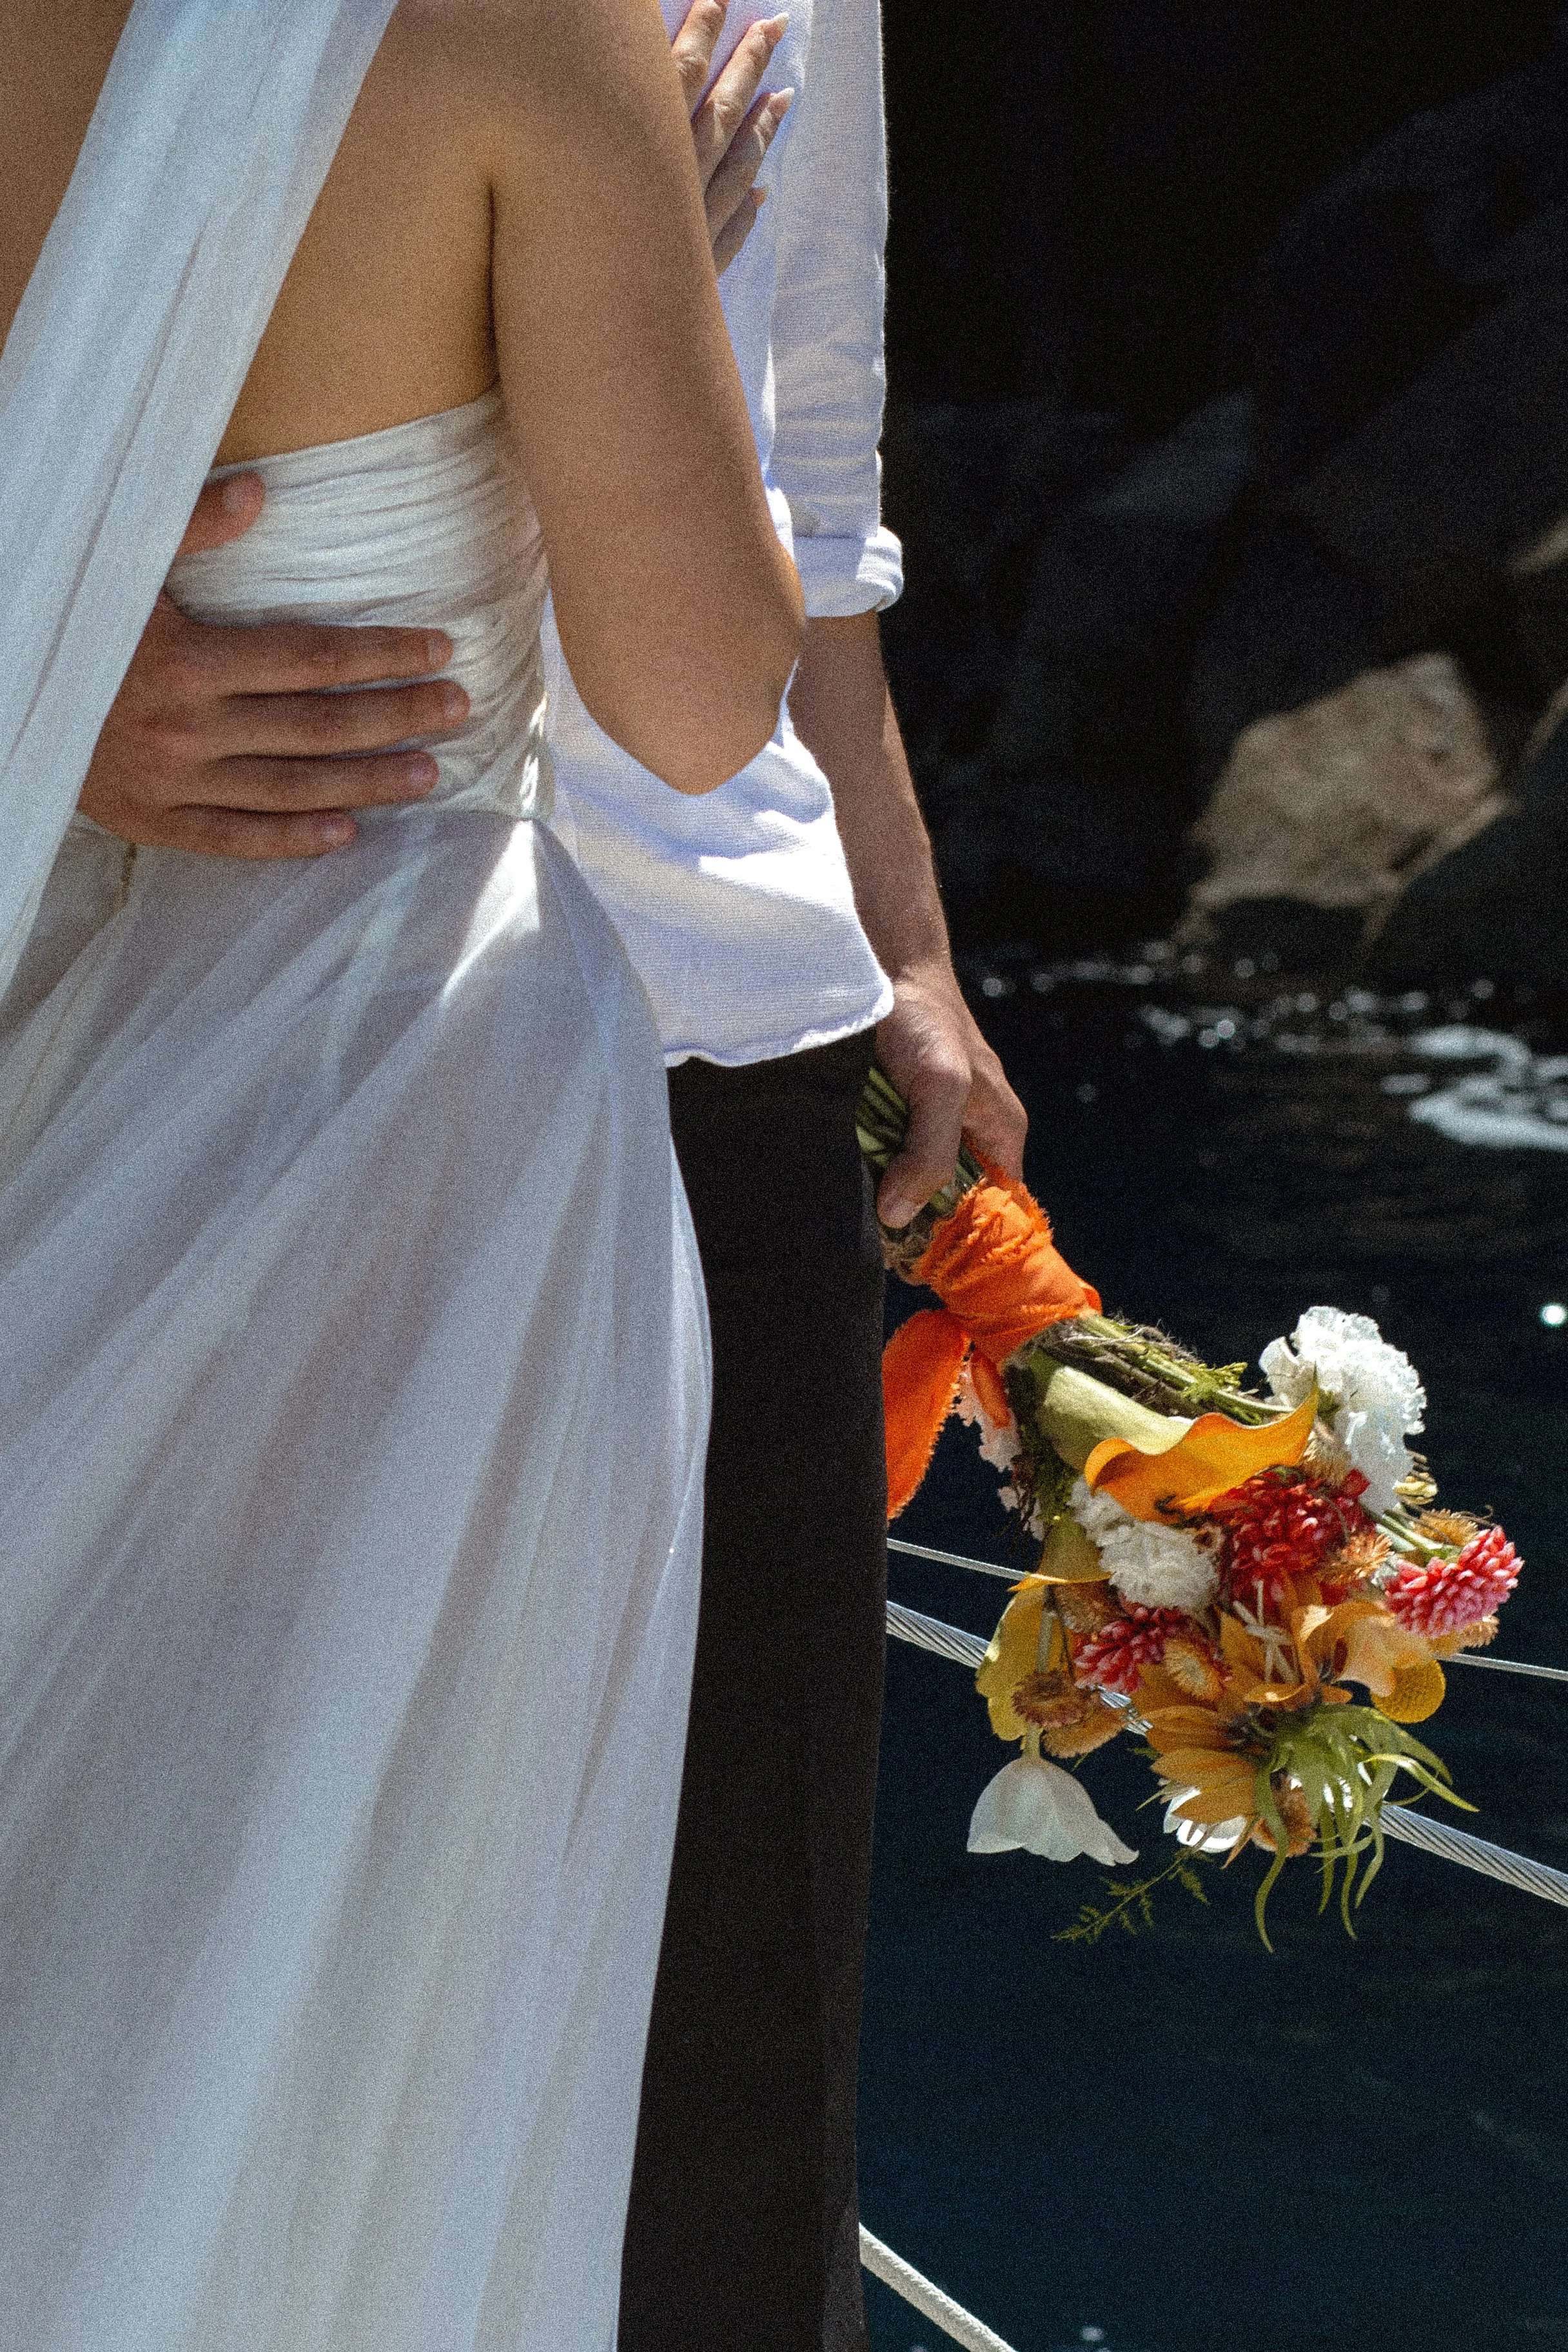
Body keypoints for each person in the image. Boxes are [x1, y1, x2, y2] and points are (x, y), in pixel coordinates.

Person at [78, 5, 1029, 2345]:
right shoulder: (537, 50)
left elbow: (812, 470)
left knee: (706, 2071)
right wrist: (43, 678)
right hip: (324, 1056)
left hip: (696, 1045)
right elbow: (706, 656)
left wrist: (906, 946)